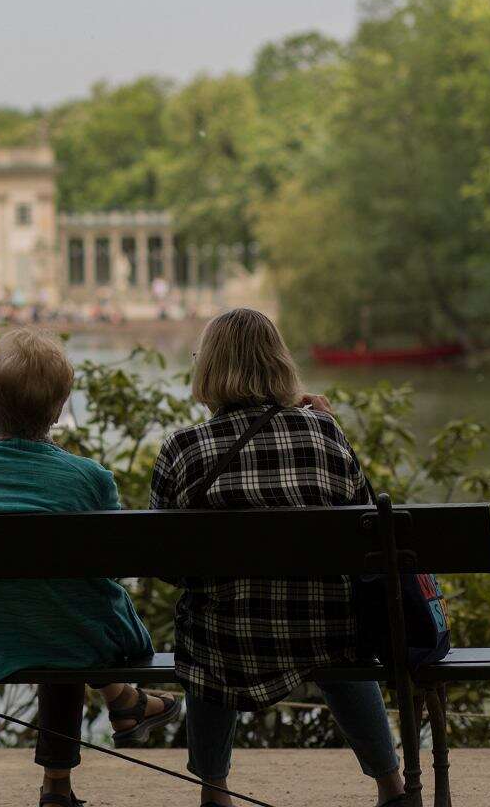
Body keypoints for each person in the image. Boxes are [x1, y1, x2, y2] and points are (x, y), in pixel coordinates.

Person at [0, 327, 182, 807]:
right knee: (65, 617)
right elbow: (111, 569)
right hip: (71, 635)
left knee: (50, 611)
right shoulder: (90, 478)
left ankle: (117, 714)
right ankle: (112, 716)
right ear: (59, 409)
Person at [150, 308, 407, 807]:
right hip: (325, 631)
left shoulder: (183, 448)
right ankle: (391, 785)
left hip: (226, 639)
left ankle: (214, 789)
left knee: (203, 625)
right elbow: (367, 531)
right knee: (337, 630)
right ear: (278, 364)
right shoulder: (322, 433)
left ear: (208, 369)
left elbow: (168, 565)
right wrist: (327, 424)